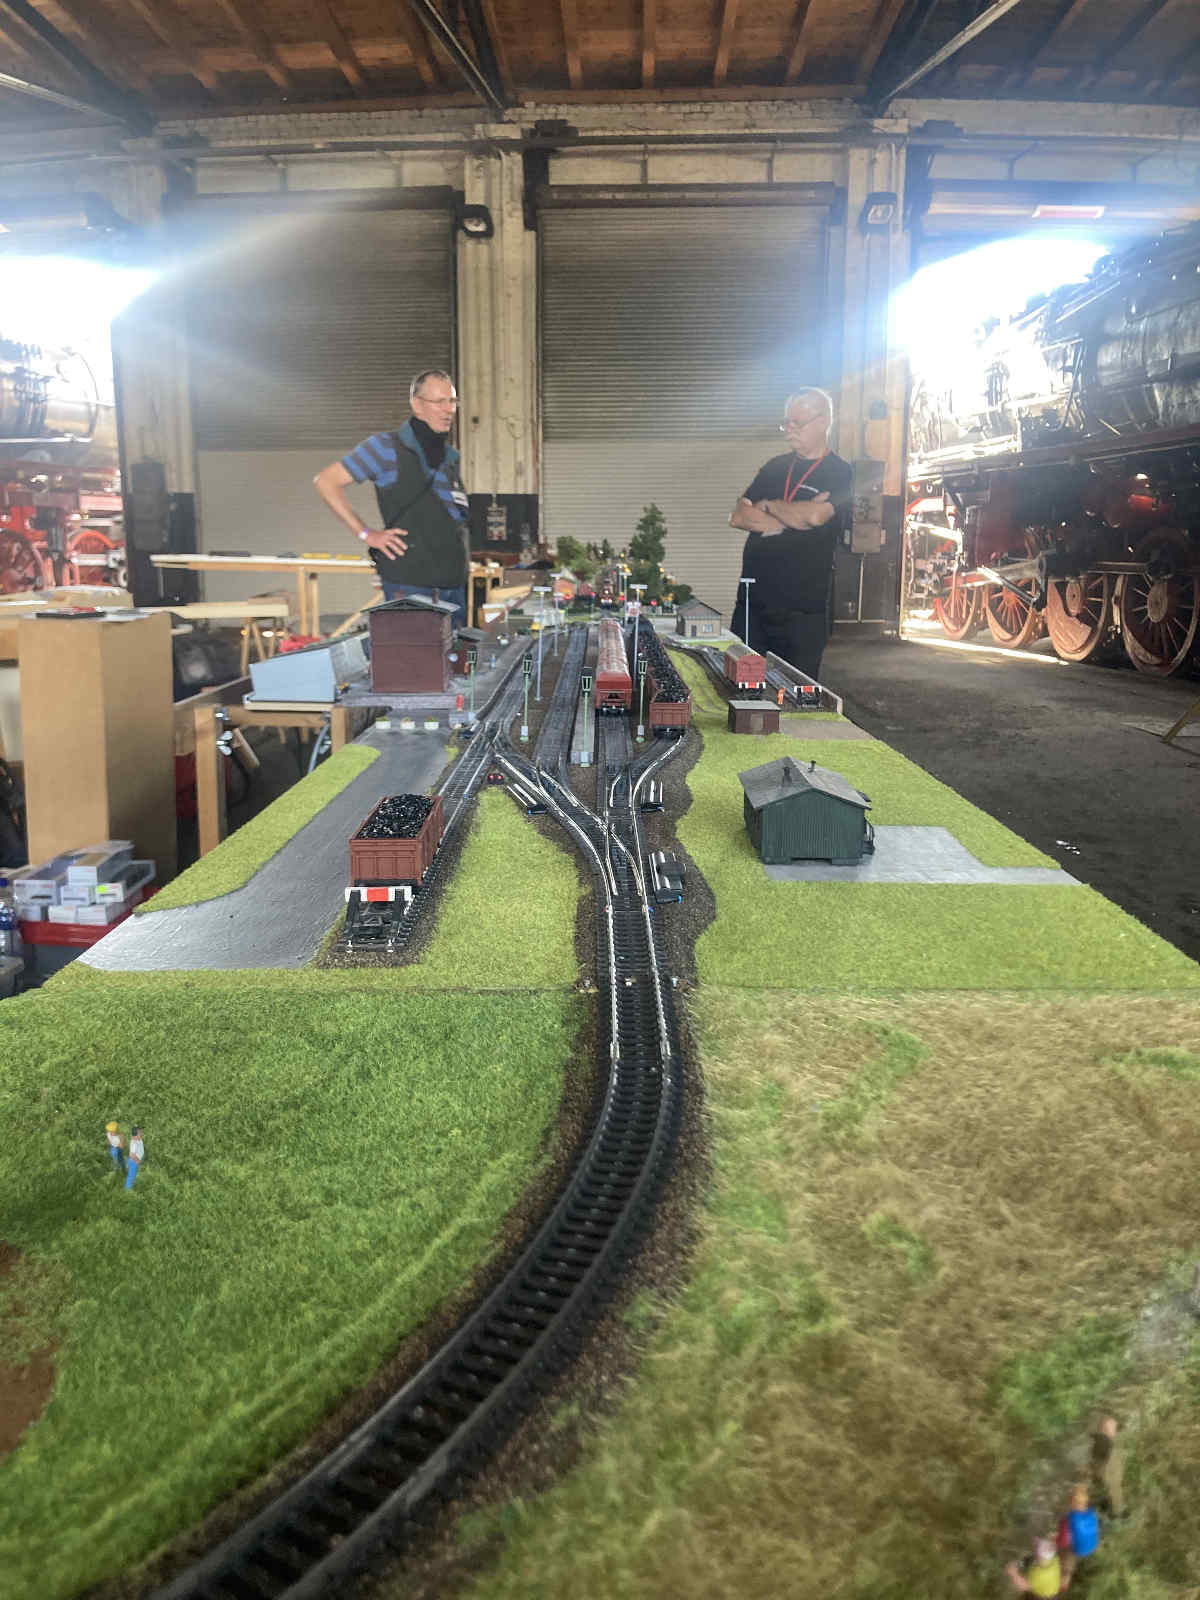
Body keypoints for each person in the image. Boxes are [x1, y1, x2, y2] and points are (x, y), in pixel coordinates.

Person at [313, 369, 470, 625]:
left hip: (454, 586)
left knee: (455, 651)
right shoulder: (386, 448)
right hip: (411, 585)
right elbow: (326, 482)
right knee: (411, 651)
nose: (449, 409)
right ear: (417, 405)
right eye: (439, 401)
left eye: (452, 401)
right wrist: (366, 534)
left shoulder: (449, 458)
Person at [728, 387, 852, 681]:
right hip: (752, 606)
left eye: (798, 423)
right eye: (787, 423)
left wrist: (769, 506)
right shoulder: (775, 467)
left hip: (802, 612)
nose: (790, 431)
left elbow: (815, 516)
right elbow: (738, 516)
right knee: (740, 686)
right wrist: (794, 517)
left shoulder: (839, 473)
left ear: (823, 422)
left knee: (794, 693)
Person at [125, 1125, 144, 1190]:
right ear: (136, 1135)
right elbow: (131, 1155)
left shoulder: (138, 1139)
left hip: (135, 1160)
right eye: (140, 1132)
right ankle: (128, 1189)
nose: (142, 1133)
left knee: (134, 1173)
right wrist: (137, 1161)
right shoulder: (134, 1143)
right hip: (134, 1161)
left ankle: (132, 1183)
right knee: (131, 1176)